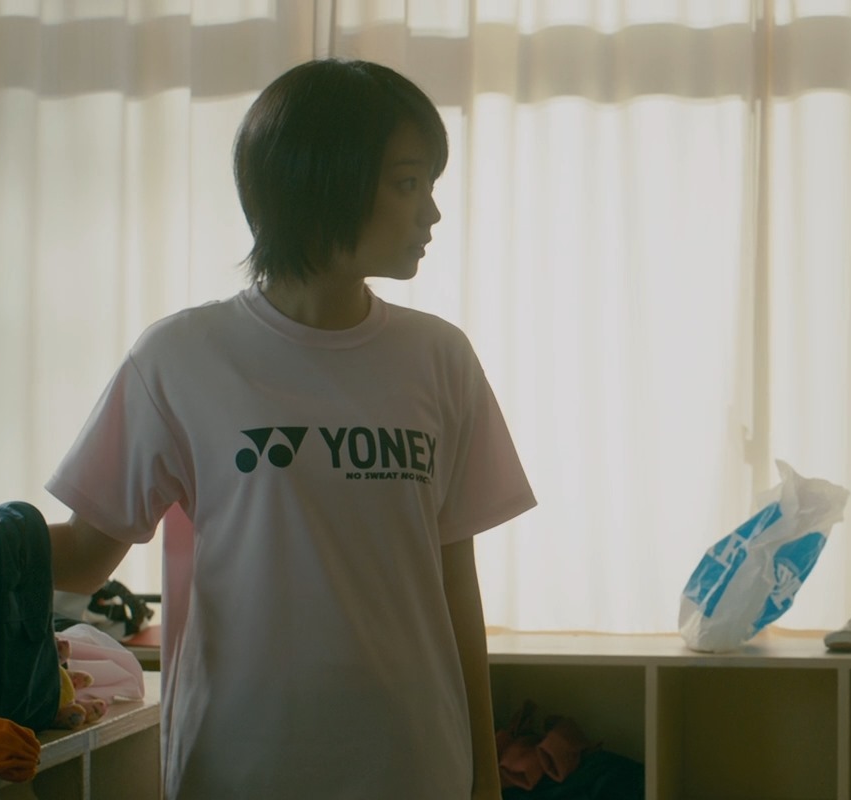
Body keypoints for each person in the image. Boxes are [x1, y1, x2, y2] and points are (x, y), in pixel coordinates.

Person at [45, 59, 534, 799]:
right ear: (323, 182)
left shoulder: (440, 358)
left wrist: (484, 778)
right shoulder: (180, 357)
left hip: (414, 762)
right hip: (241, 766)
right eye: (408, 184)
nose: (431, 213)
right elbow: (85, 556)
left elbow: (454, 582)